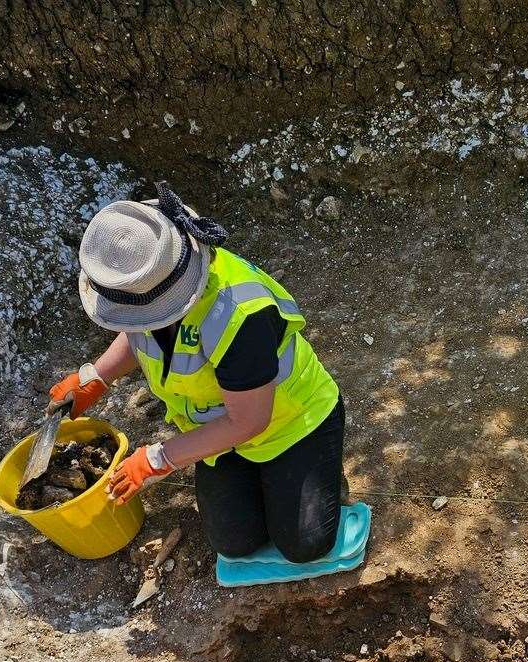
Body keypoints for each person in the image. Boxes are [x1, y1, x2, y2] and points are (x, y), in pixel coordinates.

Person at [49, 183, 344, 564]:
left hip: (292, 423)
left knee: (304, 544)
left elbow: (251, 420)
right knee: (234, 542)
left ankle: (314, 470)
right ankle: (274, 483)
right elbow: (141, 330)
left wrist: (160, 458)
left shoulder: (239, 316)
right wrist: (96, 377)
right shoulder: (155, 283)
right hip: (222, 430)